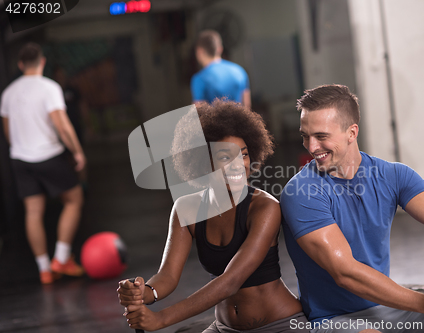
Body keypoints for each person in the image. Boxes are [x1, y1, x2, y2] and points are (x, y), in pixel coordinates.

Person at [280, 84, 424, 332]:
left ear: (351, 132)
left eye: (321, 136)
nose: (310, 147)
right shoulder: (300, 192)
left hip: (390, 308)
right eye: (305, 136)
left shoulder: (393, 175)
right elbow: (346, 273)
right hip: (335, 319)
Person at [117, 99, 309, 332]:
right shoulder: (185, 209)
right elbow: (167, 275)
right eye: (226, 157)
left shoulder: (264, 208)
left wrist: (161, 319)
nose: (239, 165)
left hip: (279, 325)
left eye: (245, 155)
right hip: (224, 327)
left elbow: (230, 282)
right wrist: (144, 292)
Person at [0, 42, 86, 284]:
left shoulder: (8, 93)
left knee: (33, 211)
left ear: (20, 65)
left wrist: (21, 148)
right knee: (74, 199)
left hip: (20, 159)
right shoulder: (49, 87)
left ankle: (44, 270)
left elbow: (8, 131)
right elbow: (62, 125)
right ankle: (61, 257)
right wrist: (77, 151)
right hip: (49, 155)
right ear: (42, 62)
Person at [191, 30, 251, 108]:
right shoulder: (240, 71)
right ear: (220, 49)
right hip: (239, 120)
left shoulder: (199, 79)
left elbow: (199, 113)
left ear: (199, 51)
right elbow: (247, 107)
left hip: (214, 120)